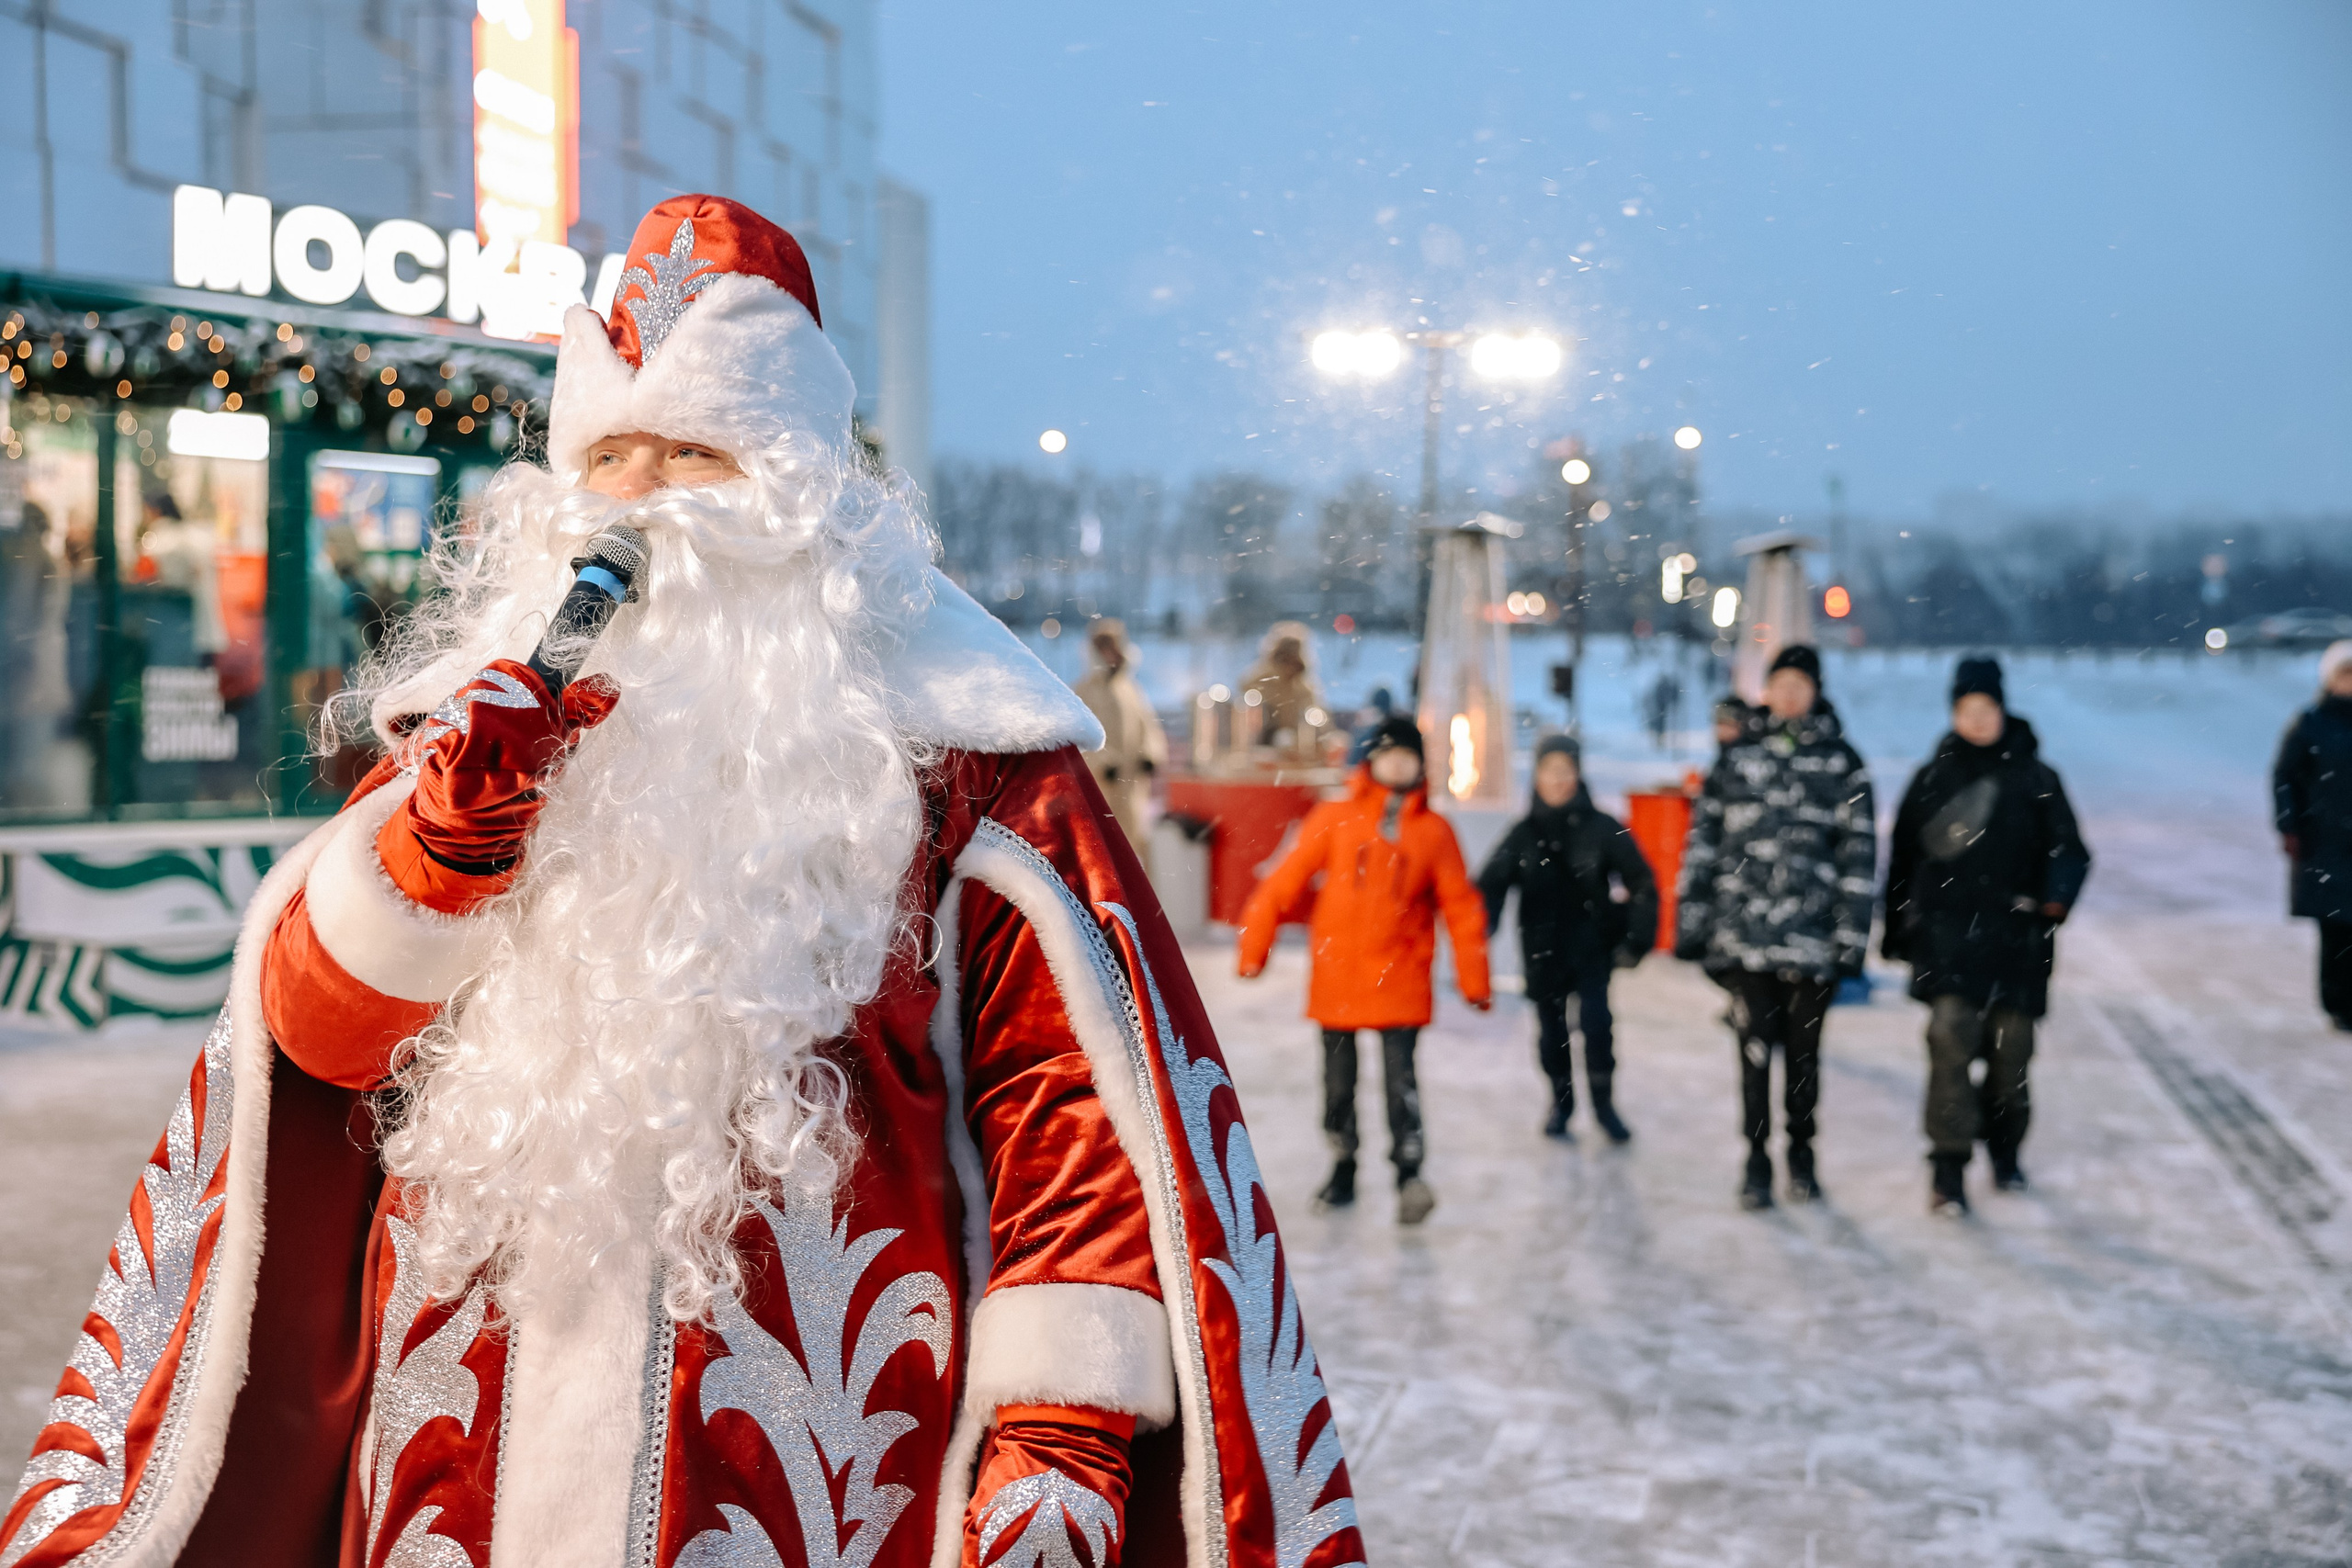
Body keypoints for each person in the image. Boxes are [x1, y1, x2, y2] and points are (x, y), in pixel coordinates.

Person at [2, 197, 1362, 1568]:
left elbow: (1078, 1127)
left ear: (797, 485)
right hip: (449, 1474)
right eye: (610, 453)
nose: (638, 501)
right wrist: (439, 852)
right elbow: (315, 1043)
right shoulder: (478, 723)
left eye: (693, 452)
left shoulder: (970, 759)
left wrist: (1059, 1423)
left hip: (817, 1478)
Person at [1237, 716, 1491, 1224]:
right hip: (1340, 977)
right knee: (1338, 1084)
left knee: (1402, 1085)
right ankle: (1343, 1164)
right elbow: (1283, 882)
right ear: (1369, 761)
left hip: (1401, 976)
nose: (1398, 763)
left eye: (1408, 755)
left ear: (1420, 764)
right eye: (1388, 754)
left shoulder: (1434, 832)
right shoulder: (1335, 817)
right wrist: (1254, 947)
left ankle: (1409, 1173)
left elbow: (1461, 908)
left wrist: (1474, 978)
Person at [1883, 656, 2090, 1214]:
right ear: (1954, 713)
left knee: (2010, 1059)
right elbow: (1903, 857)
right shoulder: (1933, 777)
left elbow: (2069, 849)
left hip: (2016, 943)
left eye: (1985, 709)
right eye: (1966, 710)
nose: (1976, 720)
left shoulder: (2036, 778)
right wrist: (1896, 928)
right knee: (1949, 1044)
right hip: (1948, 939)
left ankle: (2005, 1150)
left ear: (2002, 709)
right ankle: (1948, 1167)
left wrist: (2055, 897)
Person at [1675, 644, 1876, 1210]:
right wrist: (1693, 921)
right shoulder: (1737, 759)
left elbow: (1858, 857)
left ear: (1815, 691)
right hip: (1744, 939)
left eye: (1800, 684)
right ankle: (1756, 1159)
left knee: (1804, 1057)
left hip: (1812, 944)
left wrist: (1850, 939)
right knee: (1752, 1052)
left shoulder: (1842, 763)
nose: (1789, 694)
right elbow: (1703, 843)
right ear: (1767, 689)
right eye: (1780, 682)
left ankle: (1802, 1153)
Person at [1477, 735, 1658, 1143]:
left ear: (1578, 774)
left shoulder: (1602, 826)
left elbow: (1642, 881)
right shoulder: (1523, 833)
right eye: (1550, 771)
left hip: (1592, 947)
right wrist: (1479, 928)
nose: (1559, 780)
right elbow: (1490, 884)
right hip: (1542, 950)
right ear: (1537, 776)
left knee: (1597, 1027)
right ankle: (1561, 1104)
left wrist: (1635, 938)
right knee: (1552, 1034)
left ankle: (1604, 1105)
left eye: (1566, 770)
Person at [2273, 640, 2352, 1032]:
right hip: (2325, 841)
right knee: (2336, 929)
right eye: (2345, 674)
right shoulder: (2312, 722)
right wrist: (2289, 825)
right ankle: (2337, 1003)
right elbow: (2286, 776)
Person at [1073, 616, 1167, 863]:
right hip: (1101, 788)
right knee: (1100, 849)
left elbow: (1148, 727)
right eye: (1103, 648)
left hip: (1132, 788)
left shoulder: (1131, 689)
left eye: (1113, 647)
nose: (1110, 654)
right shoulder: (1082, 691)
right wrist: (1102, 763)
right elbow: (1078, 738)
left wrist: (1150, 755)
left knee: (1133, 848)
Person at [1240, 621, 1324, 753]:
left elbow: (1319, 724)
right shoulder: (1260, 681)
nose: (1290, 664)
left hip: (1296, 751)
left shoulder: (1304, 688)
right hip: (1261, 748)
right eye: (1285, 657)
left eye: (1294, 657)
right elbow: (1244, 714)